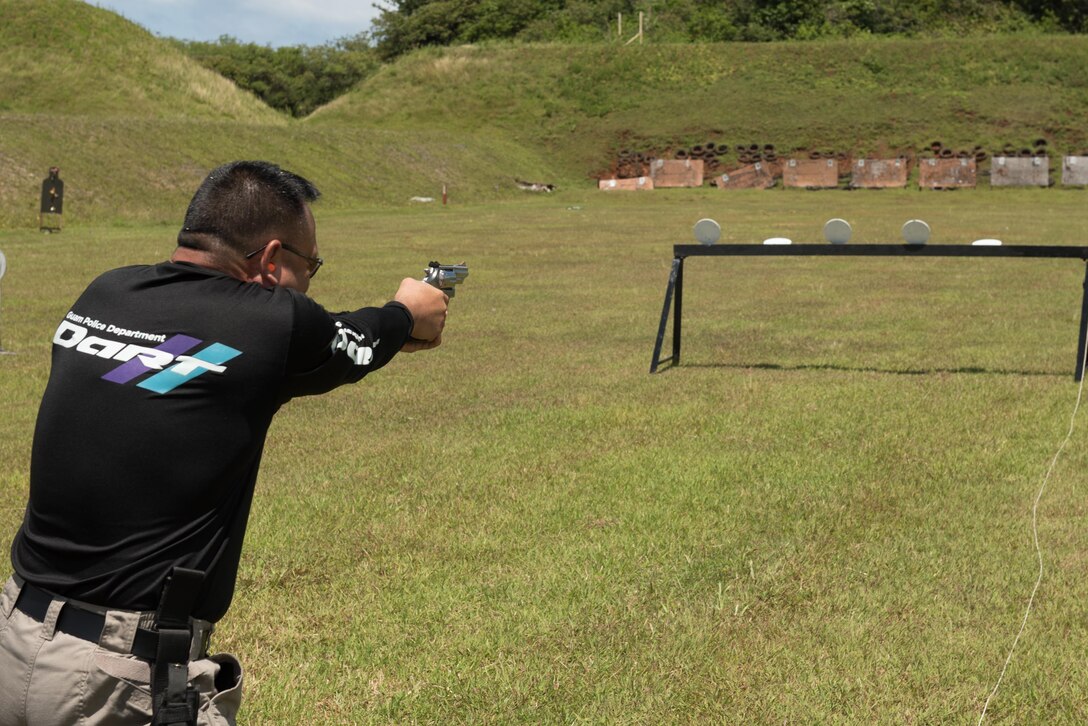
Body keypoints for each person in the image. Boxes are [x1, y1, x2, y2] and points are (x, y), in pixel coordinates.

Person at [0, 161, 450, 725]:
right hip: (114, 679)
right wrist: (411, 310)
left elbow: (215, 357)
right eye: (309, 266)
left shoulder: (107, 291)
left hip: (15, 636)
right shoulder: (273, 325)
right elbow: (364, 337)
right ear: (269, 260)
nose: (310, 283)